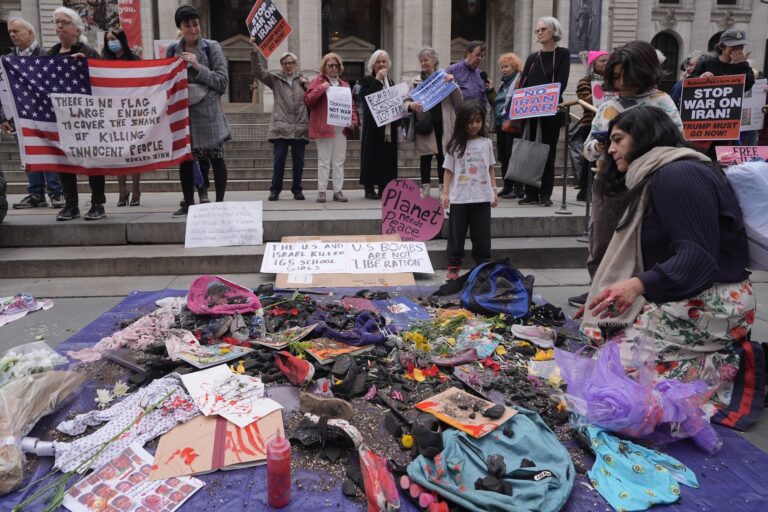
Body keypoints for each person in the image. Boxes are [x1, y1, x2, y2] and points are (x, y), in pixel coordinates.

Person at [579, 106, 755, 419]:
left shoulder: (677, 174)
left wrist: (637, 286)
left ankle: (735, 368)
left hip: (713, 302)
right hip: (692, 295)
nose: (613, 148)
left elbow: (697, 259)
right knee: (601, 347)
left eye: (619, 139)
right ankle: (711, 362)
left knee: (611, 380)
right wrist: (616, 293)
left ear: (644, 135)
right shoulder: (665, 172)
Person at [569, 41, 683, 307]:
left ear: (643, 71)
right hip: (610, 184)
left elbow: (678, 140)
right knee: (602, 242)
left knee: (646, 242)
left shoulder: (662, 102)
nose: (620, 83)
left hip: (651, 183)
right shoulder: (610, 106)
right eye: (615, 77)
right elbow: (587, 150)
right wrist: (598, 146)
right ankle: (598, 290)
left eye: (625, 76)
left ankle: (639, 293)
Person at [168, 5, 231, 217]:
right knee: (186, 161)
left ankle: (220, 202)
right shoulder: (172, 51)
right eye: (188, 25)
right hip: (186, 116)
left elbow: (222, 82)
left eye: (196, 24)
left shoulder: (211, 47)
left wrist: (198, 67)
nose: (194, 29)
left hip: (210, 114)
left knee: (216, 159)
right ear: (180, 28)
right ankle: (188, 201)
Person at [2, 18, 64, 211]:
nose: (12, 35)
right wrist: (3, 117)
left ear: (31, 33)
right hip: (19, 117)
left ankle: (56, 192)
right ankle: (36, 194)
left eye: (17, 31)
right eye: (10, 32)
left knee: (49, 152)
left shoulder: (47, 55)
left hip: (45, 116)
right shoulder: (6, 59)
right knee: (28, 154)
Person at [48, 7, 103, 221]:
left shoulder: (89, 52)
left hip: (87, 119)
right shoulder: (50, 55)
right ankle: (71, 205)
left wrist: (88, 66)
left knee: (92, 163)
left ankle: (98, 203)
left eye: (64, 22)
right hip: (61, 120)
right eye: (57, 22)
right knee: (63, 163)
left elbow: (104, 77)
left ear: (77, 29)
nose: (59, 25)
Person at [516, 17, 570, 207]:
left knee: (547, 151)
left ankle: (545, 194)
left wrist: (544, 98)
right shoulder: (532, 58)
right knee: (530, 152)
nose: (539, 33)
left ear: (554, 31)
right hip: (529, 113)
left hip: (549, 111)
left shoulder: (562, 54)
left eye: (543, 29)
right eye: (537, 30)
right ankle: (530, 192)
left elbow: (561, 83)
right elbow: (523, 84)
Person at [441, 101, 498, 282]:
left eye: (478, 121)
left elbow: (490, 168)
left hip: (481, 196)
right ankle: (453, 265)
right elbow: (448, 171)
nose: (474, 126)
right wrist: (445, 193)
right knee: (456, 234)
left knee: (481, 235)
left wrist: (494, 191)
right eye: (470, 122)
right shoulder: (455, 145)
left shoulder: (486, 143)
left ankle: (482, 265)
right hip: (460, 198)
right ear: (462, 123)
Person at [251, 44, 309, 201]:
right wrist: (255, 52)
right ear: (282, 66)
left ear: (295, 65)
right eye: (285, 63)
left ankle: (297, 189)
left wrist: (306, 85)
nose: (288, 65)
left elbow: (312, 99)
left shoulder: (303, 80)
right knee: (279, 161)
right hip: (281, 127)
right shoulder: (275, 79)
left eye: (290, 63)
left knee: (299, 162)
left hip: (300, 127)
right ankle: (275, 190)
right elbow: (258, 71)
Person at [403, 47, 463, 199]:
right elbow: (405, 101)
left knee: (444, 157)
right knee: (425, 157)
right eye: (421, 60)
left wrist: (453, 83)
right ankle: (425, 190)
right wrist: (411, 105)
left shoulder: (444, 78)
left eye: (426, 60)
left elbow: (458, 100)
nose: (423, 63)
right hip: (425, 124)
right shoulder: (416, 81)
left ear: (434, 61)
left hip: (444, 123)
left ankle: (444, 189)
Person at [304, 52, 358, 203]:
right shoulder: (318, 81)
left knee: (339, 161)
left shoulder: (345, 85)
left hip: (341, 128)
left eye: (336, 65)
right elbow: (308, 100)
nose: (334, 68)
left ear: (340, 68)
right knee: (324, 161)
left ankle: (338, 191)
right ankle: (322, 191)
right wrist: (322, 88)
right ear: (325, 67)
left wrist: (353, 120)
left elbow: (351, 106)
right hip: (324, 127)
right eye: (330, 65)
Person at [102, 29, 141, 207]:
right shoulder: (103, 63)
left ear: (121, 40)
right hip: (112, 113)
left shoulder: (134, 60)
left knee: (134, 153)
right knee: (118, 153)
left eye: (114, 39)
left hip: (132, 112)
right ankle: (122, 191)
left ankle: (135, 189)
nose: (111, 42)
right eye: (108, 40)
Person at [358, 49, 399, 199]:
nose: (381, 64)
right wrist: (377, 80)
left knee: (386, 158)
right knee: (371, 157)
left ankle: (384, 187)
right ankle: (369, 189)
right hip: (373, 127)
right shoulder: (367, 81)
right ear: (372, 64)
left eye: (384, 61)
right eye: (378, 62)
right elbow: (367, 101)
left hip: (388, 129)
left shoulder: (392, 82)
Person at [574, 50, 608, 201]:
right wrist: (599, 91)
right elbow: (583, 100)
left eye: (608, 61)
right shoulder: (585, 81)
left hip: (607, 123)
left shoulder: (613, 80)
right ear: (593, 64)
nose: (606, 64)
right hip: (590, 124)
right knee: (589, 159)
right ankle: (585, 191)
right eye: (602, 61)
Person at [491, 52, 524, 199]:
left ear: (515, 67)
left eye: (507, 67)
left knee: (513, 156)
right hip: (501, 122)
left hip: (513, 123)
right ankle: (507, 185)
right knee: (504, 156)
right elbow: (497, 101)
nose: (504, 69)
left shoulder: (519, 81)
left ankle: (518, 188)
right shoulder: (504, 82)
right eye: (502, 67)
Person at [690, 29, 755, 93]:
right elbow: (689, 82)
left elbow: (748, 86)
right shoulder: (707, 63)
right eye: (734, 47)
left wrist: (741, 64)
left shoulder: (743, 66)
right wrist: (700, 78)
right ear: (722, 47)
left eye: (741, 47)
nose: (738, 50)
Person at [445, 41, 492, 113]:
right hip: (459, 118)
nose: (480, 58)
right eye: (477, 55)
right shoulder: (452, 70)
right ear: (467, 53)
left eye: (482, 56)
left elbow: (485, 100)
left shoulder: (481, 74)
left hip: (477, 118)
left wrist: (490, 90)